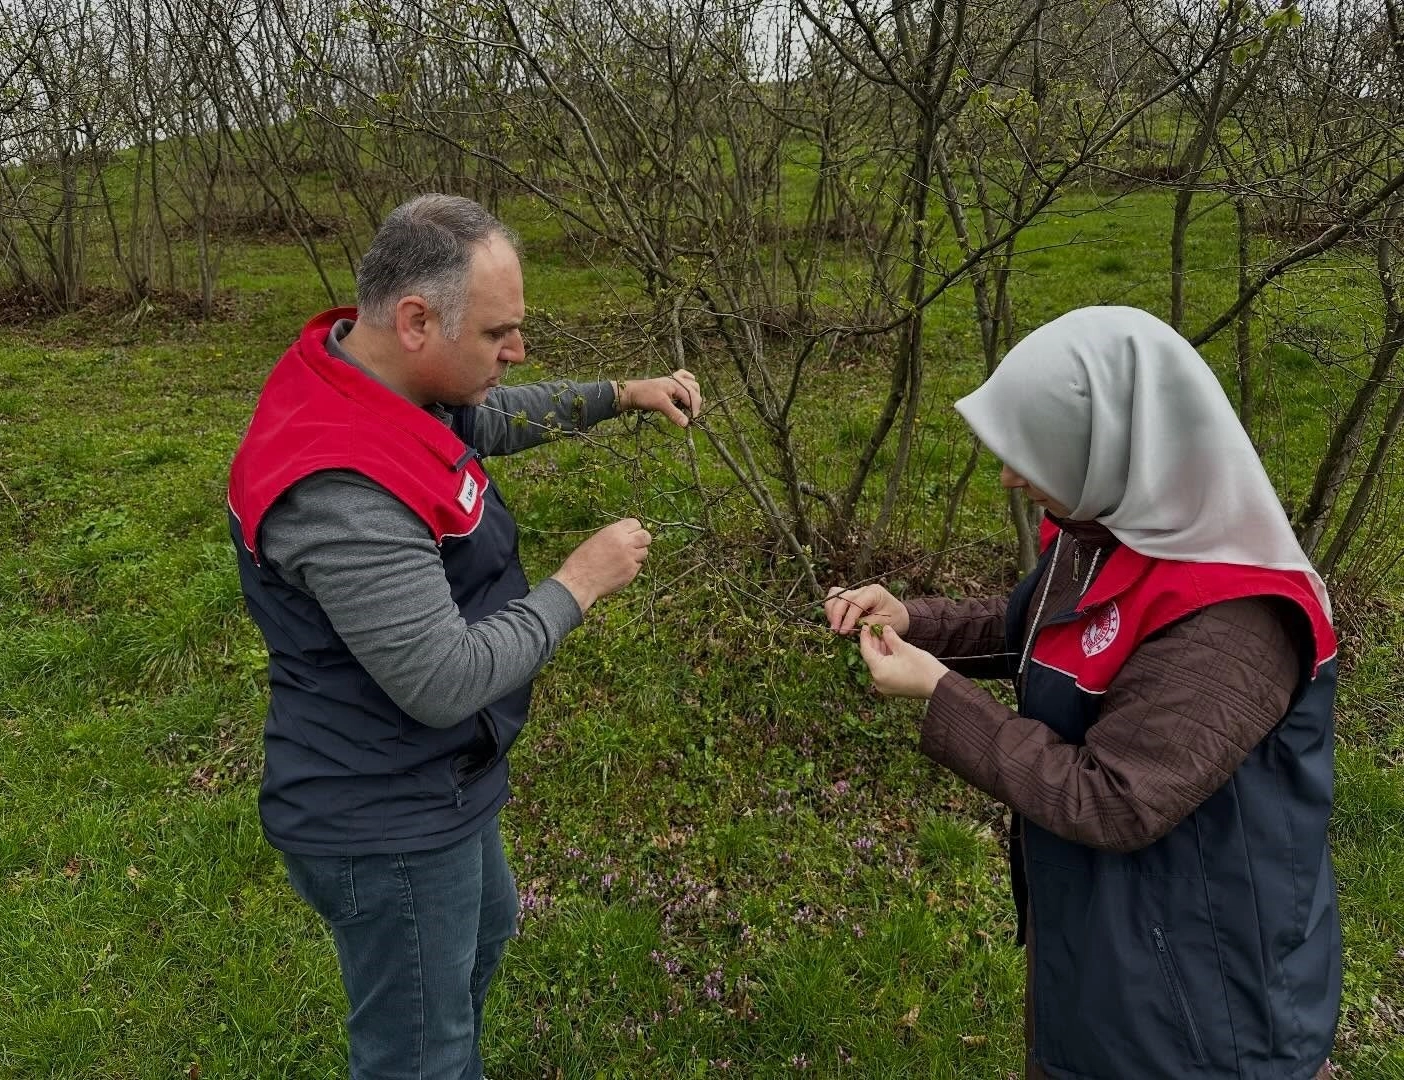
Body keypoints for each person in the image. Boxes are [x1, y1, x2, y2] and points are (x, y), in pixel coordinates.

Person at [226, 193, 702, 1080]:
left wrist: (621, 395)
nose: (515, 351)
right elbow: (442, 680)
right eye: (497, 333)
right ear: (416, 321)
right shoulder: (342, 489)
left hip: (438, 776)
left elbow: (489, 415)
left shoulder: (380, 384)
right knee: (418, 1051)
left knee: (484, 936)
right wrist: (579, 583)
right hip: (382, 809)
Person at [825, 306, 1339, 1080]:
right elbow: (1043, 631)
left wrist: (941, 697)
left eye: (1030, 454)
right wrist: (915, 622)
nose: (1009, 477)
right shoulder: (1106, 531)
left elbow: (1114, 800)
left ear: (1109, 447)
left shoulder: (1235, 620)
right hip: (1111, 953)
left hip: (1202, 1004)